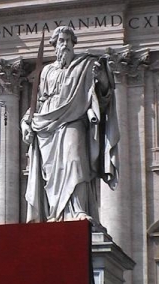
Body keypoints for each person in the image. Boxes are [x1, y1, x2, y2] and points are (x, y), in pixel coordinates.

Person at [21, 26, 119, 225]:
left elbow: (102, 98)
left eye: (68, 41)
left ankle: (77, 210)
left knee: (75, 161)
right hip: (47, 126)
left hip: (74, 121)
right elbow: (39, 101)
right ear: (54, 46)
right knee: (52, 172)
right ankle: (55, 214)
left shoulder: (85, 65)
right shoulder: (47, 71)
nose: (64, 44)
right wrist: (25, 122)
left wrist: (102, 80)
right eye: (61, 41)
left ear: (74, 44)